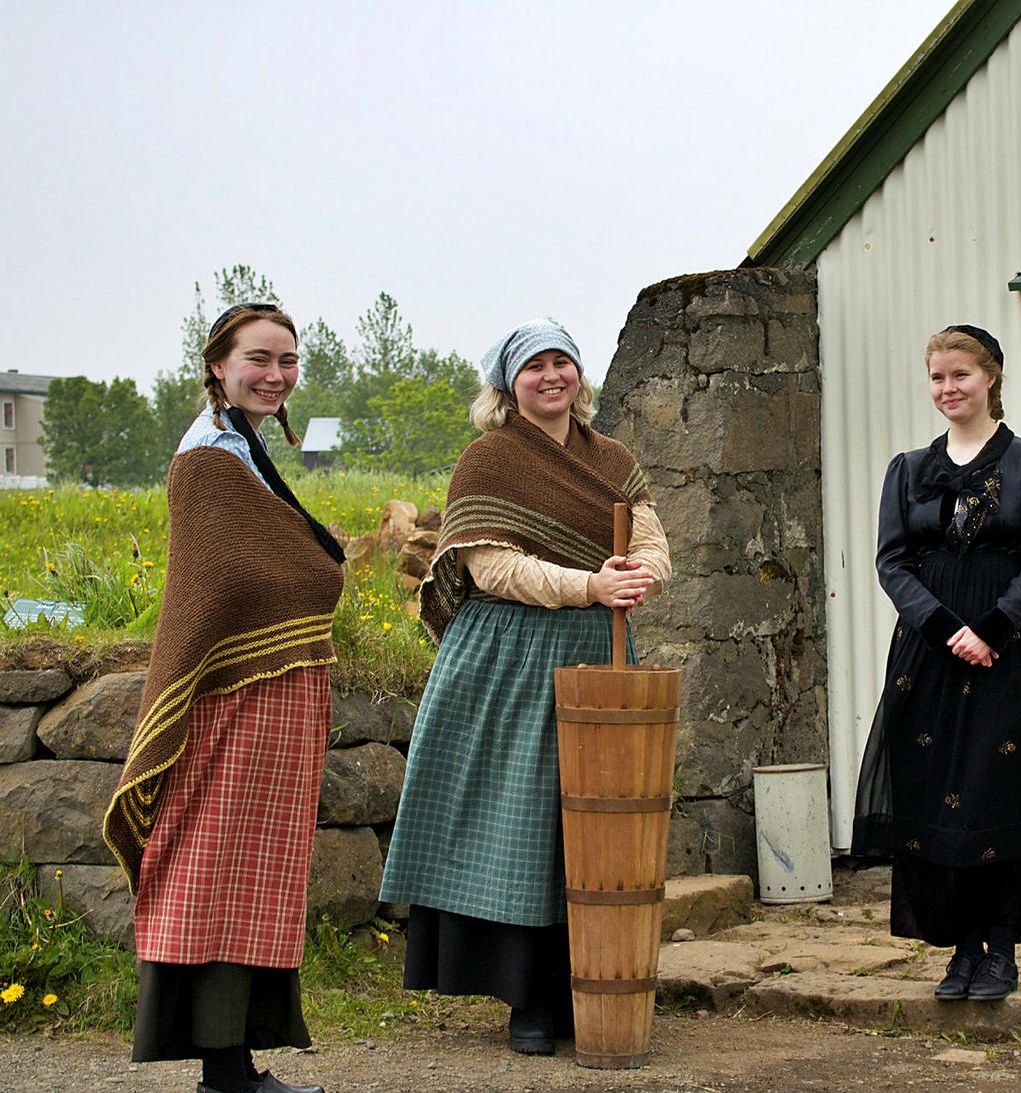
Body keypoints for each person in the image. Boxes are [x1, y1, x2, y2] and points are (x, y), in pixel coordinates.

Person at [379, 316, 670, 1055]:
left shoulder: (613, 457)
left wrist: (640, 575)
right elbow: (489, 568)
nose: (551, 376)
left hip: (595, 650)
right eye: (534, 365)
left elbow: (649, 536)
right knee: (519, 820)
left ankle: (590, 982)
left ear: (580, 376)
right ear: (508, 383)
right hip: (505, 657)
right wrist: (589, 584)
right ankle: (527, 999)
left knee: (592, 824)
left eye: (561, 362)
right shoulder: (489, 460)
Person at [105, 303, 344, 1093]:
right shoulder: (209, 456)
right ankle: (227, 1073)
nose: (275, 375)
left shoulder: (242, 443)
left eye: (288, 361)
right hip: (233, 697)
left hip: (268, 695)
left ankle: (235, 1067)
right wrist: (316, 573)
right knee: (215, 869)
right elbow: (228, 581)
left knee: (250, 875)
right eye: (258, 359)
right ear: (217, 364)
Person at [851, 324, 1021, 1002]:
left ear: (992, 376)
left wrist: (995, 627)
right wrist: (949, 628)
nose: (948, 388)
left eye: (961, 375)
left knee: (999, 792)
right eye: (938, 377)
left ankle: (1000, 950)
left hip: (1016, 651)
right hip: (931, 654)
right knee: (937, 793)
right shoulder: (910, 470)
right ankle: (961, 949)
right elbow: (894, 562)